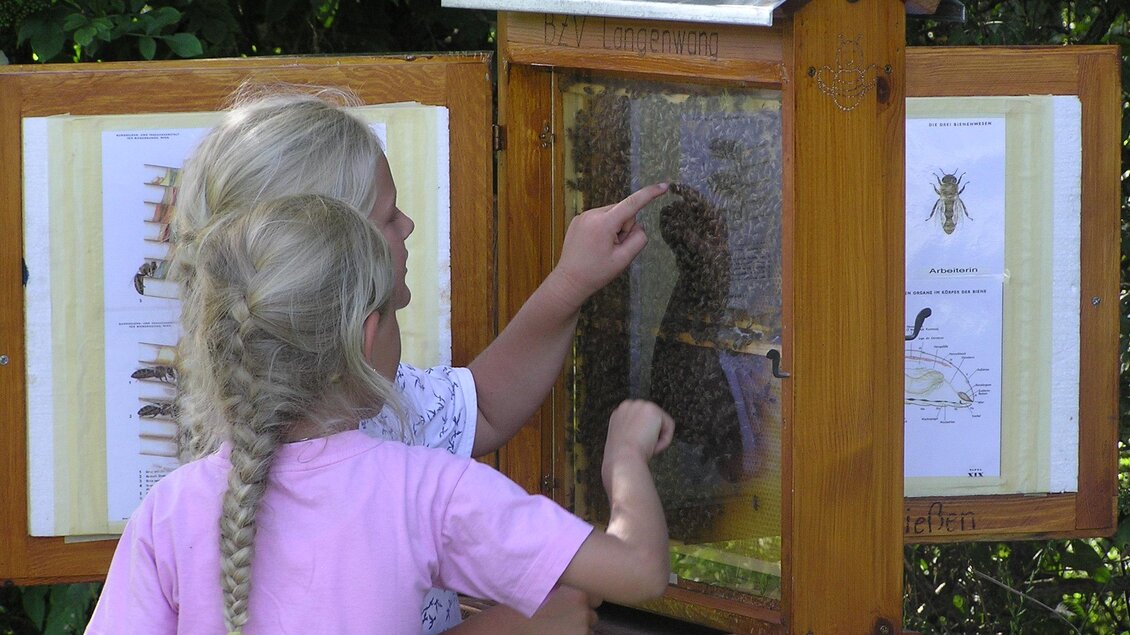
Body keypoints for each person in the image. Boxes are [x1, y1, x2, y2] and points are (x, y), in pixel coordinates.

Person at [166, 83, 672, 632]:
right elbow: (637, 570)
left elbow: (485, 407)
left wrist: (571, 282)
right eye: (388, 216)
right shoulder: (423, 488)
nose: (406, 226)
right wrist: (622, 456)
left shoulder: (178, 505)